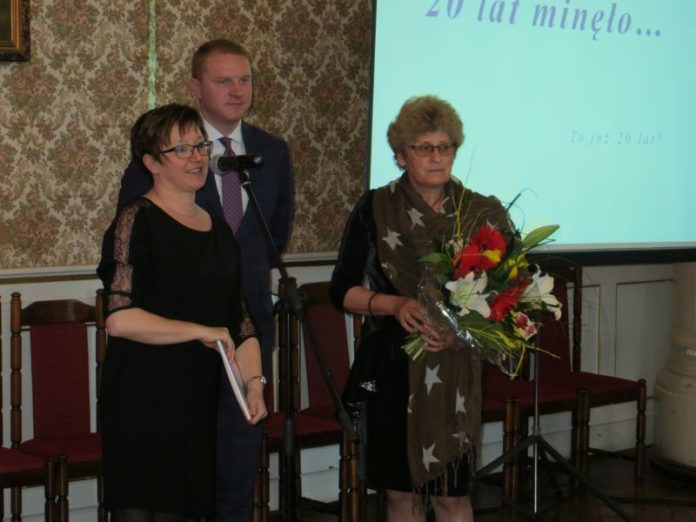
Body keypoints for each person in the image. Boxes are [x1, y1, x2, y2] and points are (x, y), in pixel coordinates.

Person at [116, 39, 294, 521]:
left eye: (245, 80)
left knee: (237, 466)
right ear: (196, 86)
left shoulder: (272, 151)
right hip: (170, 352)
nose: (237, 90)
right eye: (223, 81)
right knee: (175, 483)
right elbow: (137, 249)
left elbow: (274, 234)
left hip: (245, 333)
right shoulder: (158, 157)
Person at [330, 96, 511, 522]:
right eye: (423, 148)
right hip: (392, 368)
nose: (436, 157)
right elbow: (342, 290)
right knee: (401, 496)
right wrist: (393, 304)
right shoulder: (375, 207)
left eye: (445, 147)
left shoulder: (482, 213)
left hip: (456, 371)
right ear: (400, 155)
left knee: (452, 498)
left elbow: (507, 296)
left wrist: (461, 331)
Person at [98, 103, 267, 522]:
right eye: (181, 149)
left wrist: (255, 385)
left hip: (196, 397)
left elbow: (241, 325)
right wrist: (200, 331)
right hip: (141, 395)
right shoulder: (136, 220)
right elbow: (119, 318)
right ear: (151, 162)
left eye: (200, 146)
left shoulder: (220, 230)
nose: (197, 158)